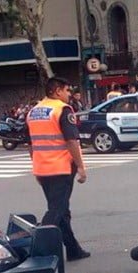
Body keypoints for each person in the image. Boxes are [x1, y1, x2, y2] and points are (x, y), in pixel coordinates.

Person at [26, 77, 90, 261]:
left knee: (62, 210)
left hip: (43, 168)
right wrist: (80, 167)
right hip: (61, 168)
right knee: (56, 211)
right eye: (67, 90)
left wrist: (36, 167)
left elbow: (31, 144)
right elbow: (71, 141)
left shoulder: (33, 111)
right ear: (57, 91)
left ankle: (73, 249)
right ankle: (36, 251)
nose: (69, 94)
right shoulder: (62, 110)